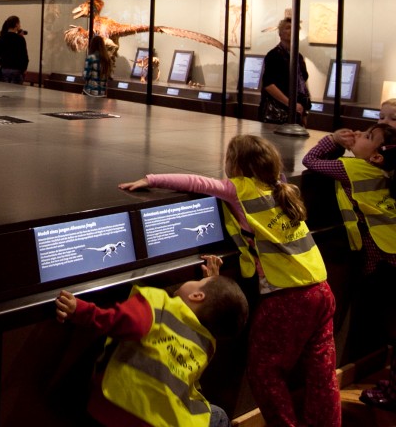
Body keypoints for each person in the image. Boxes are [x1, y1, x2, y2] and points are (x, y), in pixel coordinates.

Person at [120, 134, 340, 427]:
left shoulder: (240, 189)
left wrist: (150, 179)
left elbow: (196, 183)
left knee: (265, 372)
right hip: (322, 289)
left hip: (288, 297)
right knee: (321, 370)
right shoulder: (282, 186)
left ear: (234, 164)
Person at [55, 254, 248, 427]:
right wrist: (211, 286)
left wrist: (79, 310)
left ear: (197, 295)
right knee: (219, 417)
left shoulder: (159, 306)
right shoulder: (208, 344)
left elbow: (119, 320)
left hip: (112, 409)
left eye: (197, 284)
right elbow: (209, 312)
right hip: (162, 421)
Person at [301, 123, 396, 411]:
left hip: (387, 258)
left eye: (367, 137)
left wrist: (333, 139)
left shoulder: (355, 169)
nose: (359, 135)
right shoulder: (381, 171)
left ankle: (393, 395)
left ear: (377, 156)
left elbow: (311, 161)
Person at [259, 17, 311, 125]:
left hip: (296, 112)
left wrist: (304, 112)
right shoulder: (274, 55)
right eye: (288, 28)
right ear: (280, 34)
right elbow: (269, 84)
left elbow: (302, 85)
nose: (292, 31)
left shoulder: (298, 57)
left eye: (295, 28)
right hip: (276, 115)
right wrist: (291, 104)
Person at [0, 15, 28, 84]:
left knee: (3, 92)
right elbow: (24, 56)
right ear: (16, 24)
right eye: (19, 23)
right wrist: (24, 68)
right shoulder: (20, 39)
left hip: (4, 69)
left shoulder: (1, 38)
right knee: (16, 93)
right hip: (16, 70)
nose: (20, 26)